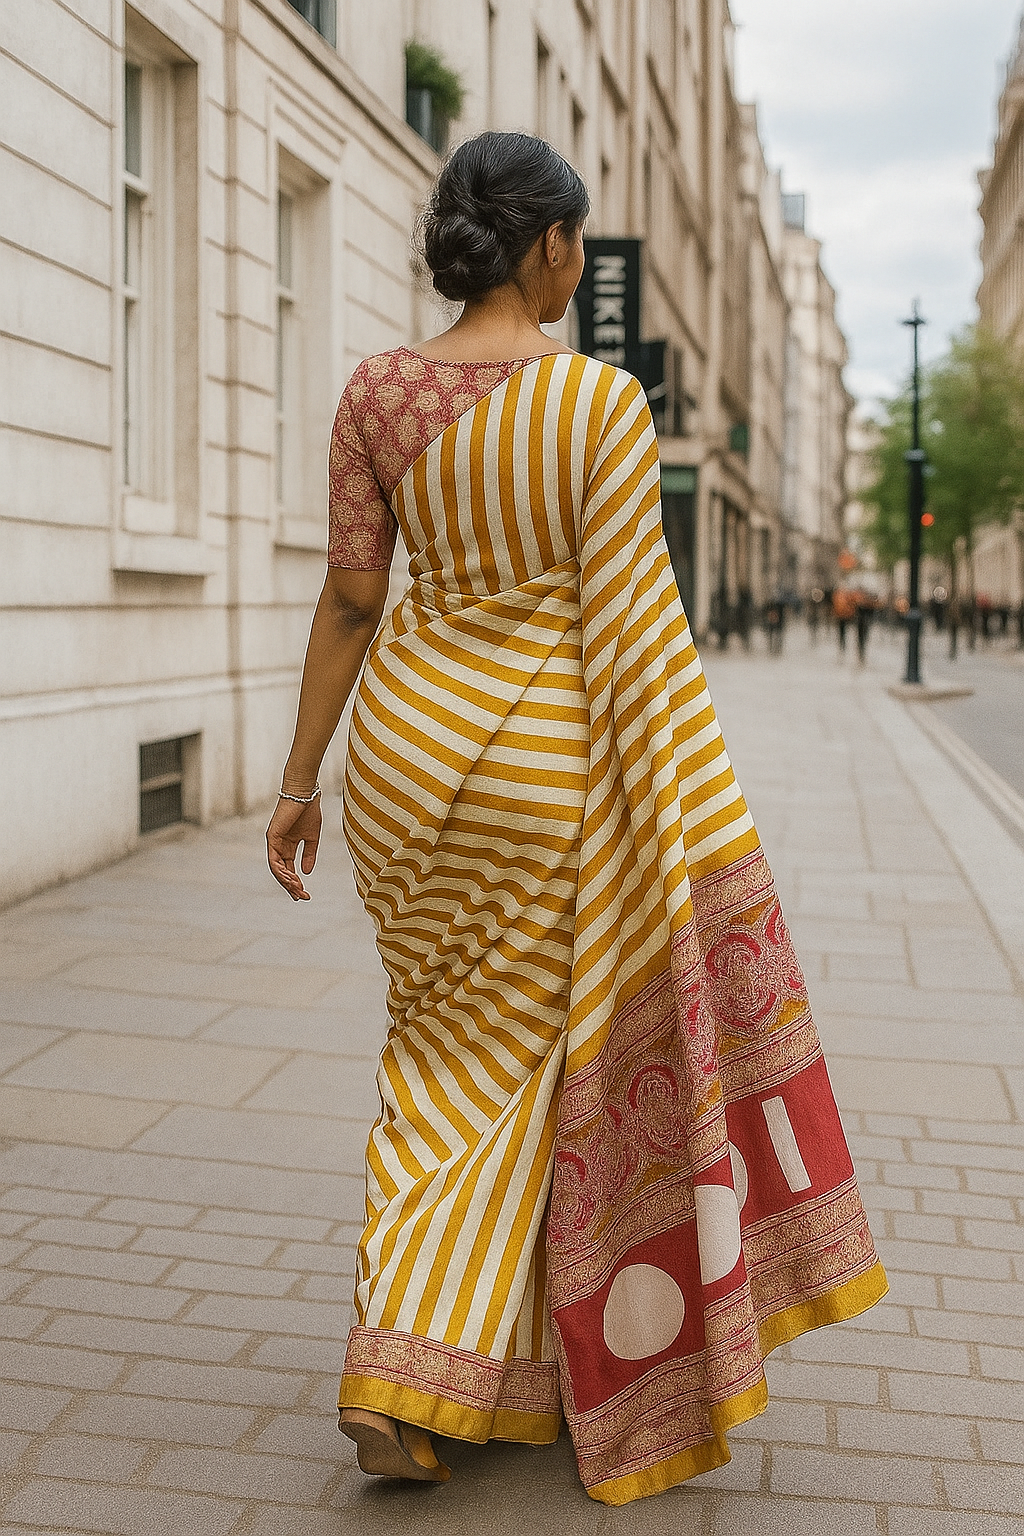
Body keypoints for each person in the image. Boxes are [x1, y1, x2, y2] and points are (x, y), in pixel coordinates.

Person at [265, 131, 887, 1507]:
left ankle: (455, 1367)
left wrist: (301, 780)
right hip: (544, 770)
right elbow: (631, 639)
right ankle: (405, 1372)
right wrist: (674, 817)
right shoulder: (601, 407)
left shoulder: (377, 392)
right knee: (530, 1067)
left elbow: (354, 602)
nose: (581, 264)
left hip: (409, 766)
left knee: (437, 1065)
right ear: (545, 246)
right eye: (578, 242)